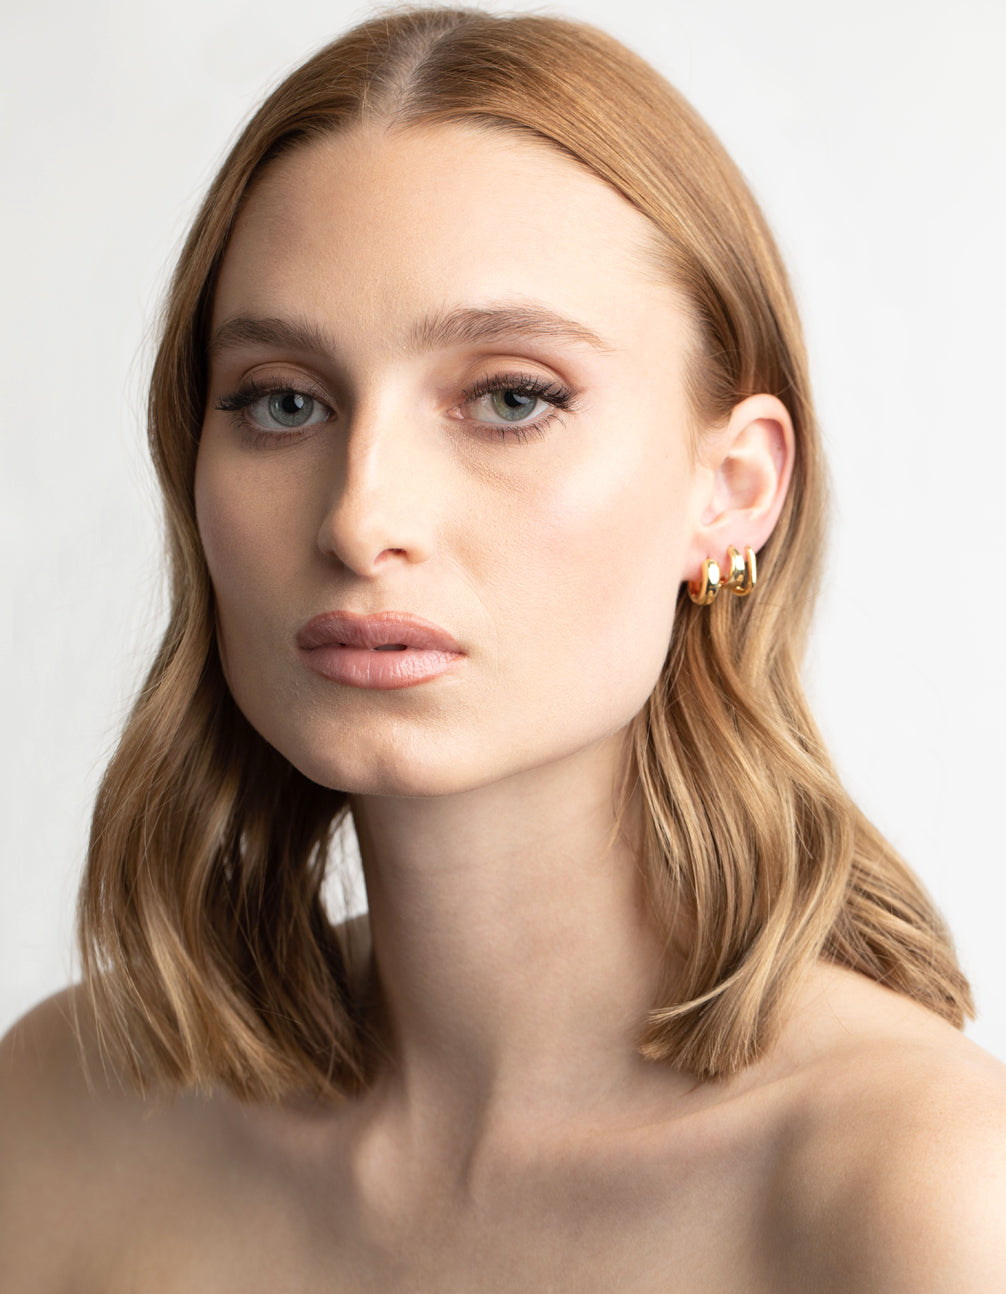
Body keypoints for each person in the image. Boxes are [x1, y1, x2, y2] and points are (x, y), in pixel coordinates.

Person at [1, 6, 1004, 1289]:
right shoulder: (57, 1120)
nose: (361, 516)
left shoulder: (924, 1193)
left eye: (512, 397)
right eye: (284, 401)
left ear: (733, 490)